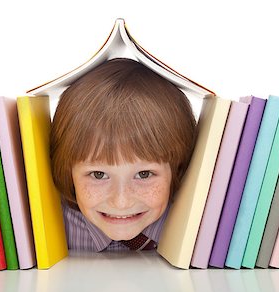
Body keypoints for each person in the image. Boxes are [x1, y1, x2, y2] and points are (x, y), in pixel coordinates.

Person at [50, 58, 196, 251]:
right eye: (98, 174)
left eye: (144, 174)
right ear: (67, 172)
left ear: (177, 169)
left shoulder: (201, 229)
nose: (121, 202)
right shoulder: (47, 227)